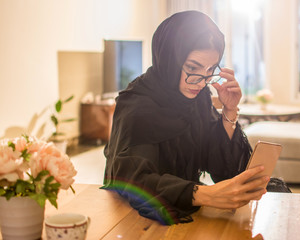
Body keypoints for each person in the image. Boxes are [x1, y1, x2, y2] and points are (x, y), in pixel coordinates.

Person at [102, 10, 270, 225]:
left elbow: (219, 164)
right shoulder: (137, 105)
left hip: (186, 210)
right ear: (170, 58)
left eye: (210, 70)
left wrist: (229, 110)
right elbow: (136, 180)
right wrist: (205, 194)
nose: (201, 82)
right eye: (193, 68)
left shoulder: (197, 98)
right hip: (135, 217)